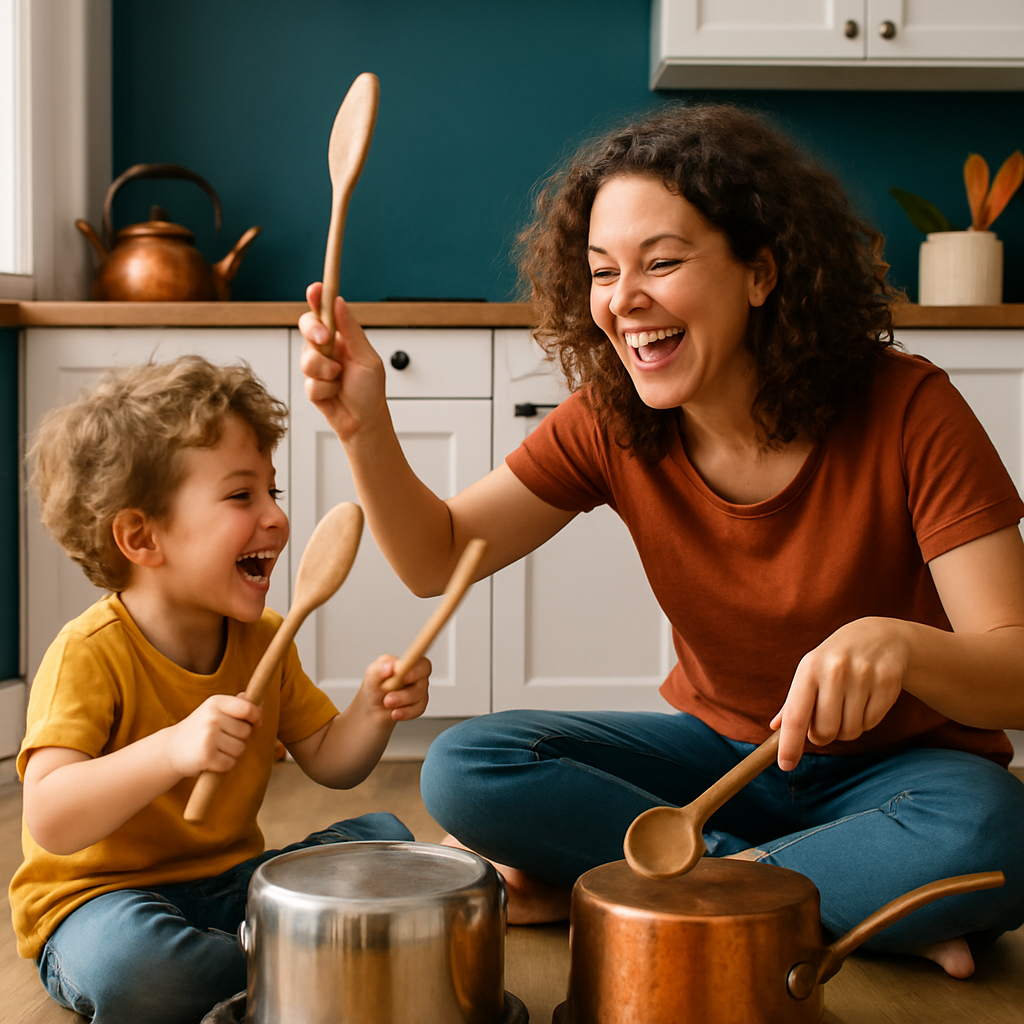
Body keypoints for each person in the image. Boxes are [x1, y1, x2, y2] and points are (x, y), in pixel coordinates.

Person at [299, 103, 1024, 980]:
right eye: (602, 271)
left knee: (995, 832)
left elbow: (1013, 669)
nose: (623, 301)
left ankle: (628, 890)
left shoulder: (910, 409)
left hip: (903, 778)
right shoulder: (612, 421)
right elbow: (435, 559)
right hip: (723, 765)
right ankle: (821, 903)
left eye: (663, 262)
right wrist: (363, 424)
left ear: (762, 272)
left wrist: (902, 647)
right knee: (468, 765)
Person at [9, 356, 431, 1024]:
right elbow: (52, 818)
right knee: (140, 972)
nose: (276, 519)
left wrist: (372, 712)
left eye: (275, 492)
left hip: (233, 885)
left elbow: (330, 758)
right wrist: (173, 750)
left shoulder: (264, 637)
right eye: (242, 496)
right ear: (142, 536)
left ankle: (271, 953)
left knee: (388, 840)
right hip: (101, 903)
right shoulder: (88, 656)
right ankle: (310, 953)